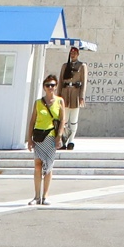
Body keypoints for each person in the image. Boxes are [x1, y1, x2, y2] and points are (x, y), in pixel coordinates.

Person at [29, 74, 65, 205]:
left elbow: (62, 120)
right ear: (44, 87)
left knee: (48, 167)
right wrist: (29, 138)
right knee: (37, 166)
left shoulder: (60, 101)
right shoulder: (38, 103)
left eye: (53, 85)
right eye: (48, 85)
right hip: (39, 136)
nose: (51, 87)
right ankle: (36, 196)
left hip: (50, 137)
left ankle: (45, 196)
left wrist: (59, 136)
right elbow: (32, 121)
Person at [57, 45, 88, 149]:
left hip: (75, 95)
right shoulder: (65, 66)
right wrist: (58, 96)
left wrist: (82, 96)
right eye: (71, 53)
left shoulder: (82, 66)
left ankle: (71, 141)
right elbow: (61, 82)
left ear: (78, 54)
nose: (73, 55)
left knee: (73, 120)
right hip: (65, 94)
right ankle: (64, 141)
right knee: (64, 121)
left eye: (75, 53)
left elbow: (84, 83)